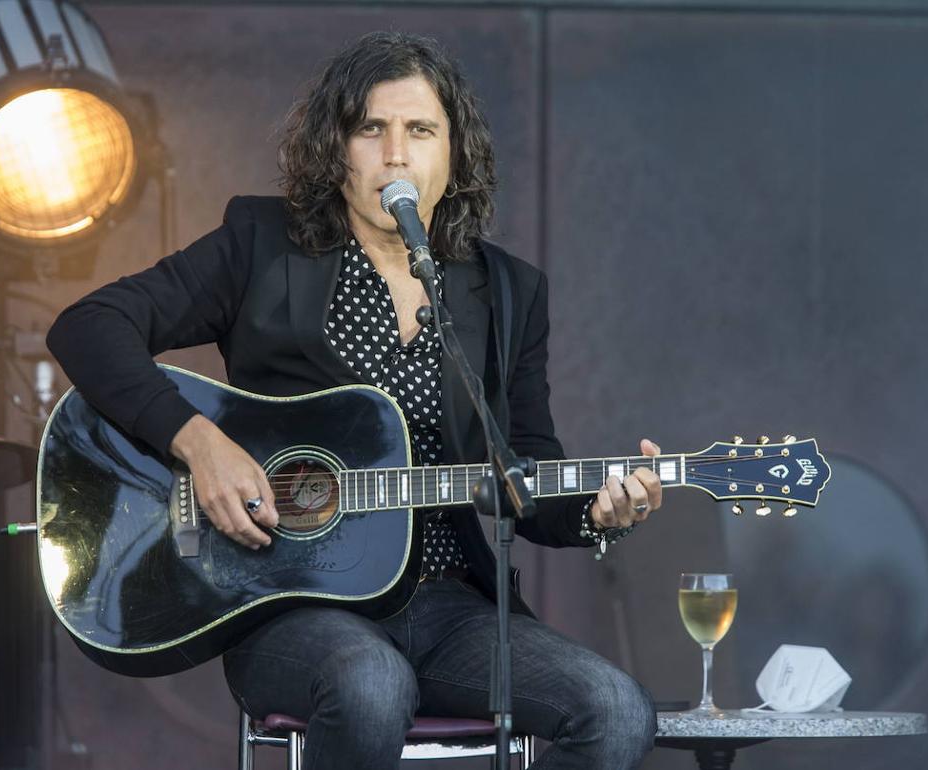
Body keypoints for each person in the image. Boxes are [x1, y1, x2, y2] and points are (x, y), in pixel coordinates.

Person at [47, 31, 660, 770]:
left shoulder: (504, 293)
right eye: (372, 128)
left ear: (453, 156)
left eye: (421, 131)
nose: (395, 153)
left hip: (449, 608)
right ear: (335, 149)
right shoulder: (261, 247)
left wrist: (597, 513)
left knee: (618, 711)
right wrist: (198, 443)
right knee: (370, 685)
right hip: (286, 608)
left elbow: (525, 467)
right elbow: (89, 327)